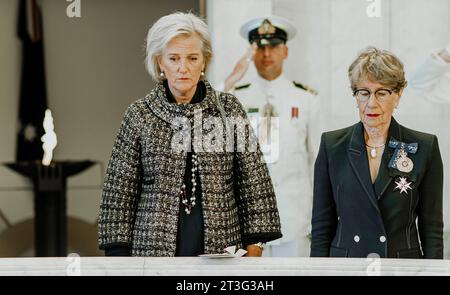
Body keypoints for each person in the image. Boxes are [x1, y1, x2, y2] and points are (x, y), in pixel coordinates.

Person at [97, 12, 282, 257]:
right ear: (160, 62)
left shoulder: (228, 109)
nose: (183, 68)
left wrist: (255, 248)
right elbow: (119, 194)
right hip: (152, 256)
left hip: (223, 253)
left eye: (192, 58)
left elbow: (254, 183)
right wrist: (120, 262)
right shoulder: (139, 114)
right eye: (173, 58)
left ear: (204, 61)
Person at [311, 47, 443, 259]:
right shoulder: (332, 145)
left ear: (398, 94)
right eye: (364, 93)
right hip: (346, 264)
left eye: (382, 93)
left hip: (401, 266)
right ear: (355, 96)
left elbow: (432, 228)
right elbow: (321, 226)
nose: (372, 103)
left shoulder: (424, 147)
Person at [219, 16, 320, 257]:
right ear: (251, 53)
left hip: (294, 218)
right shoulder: (235, 97)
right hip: (247, 221)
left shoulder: (306, 99)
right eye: (260, 47)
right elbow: (205, 120)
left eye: (273, 46)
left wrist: (320, 217)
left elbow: (316, 160)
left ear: (285, 51)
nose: (267, 54)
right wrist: (230, 79)